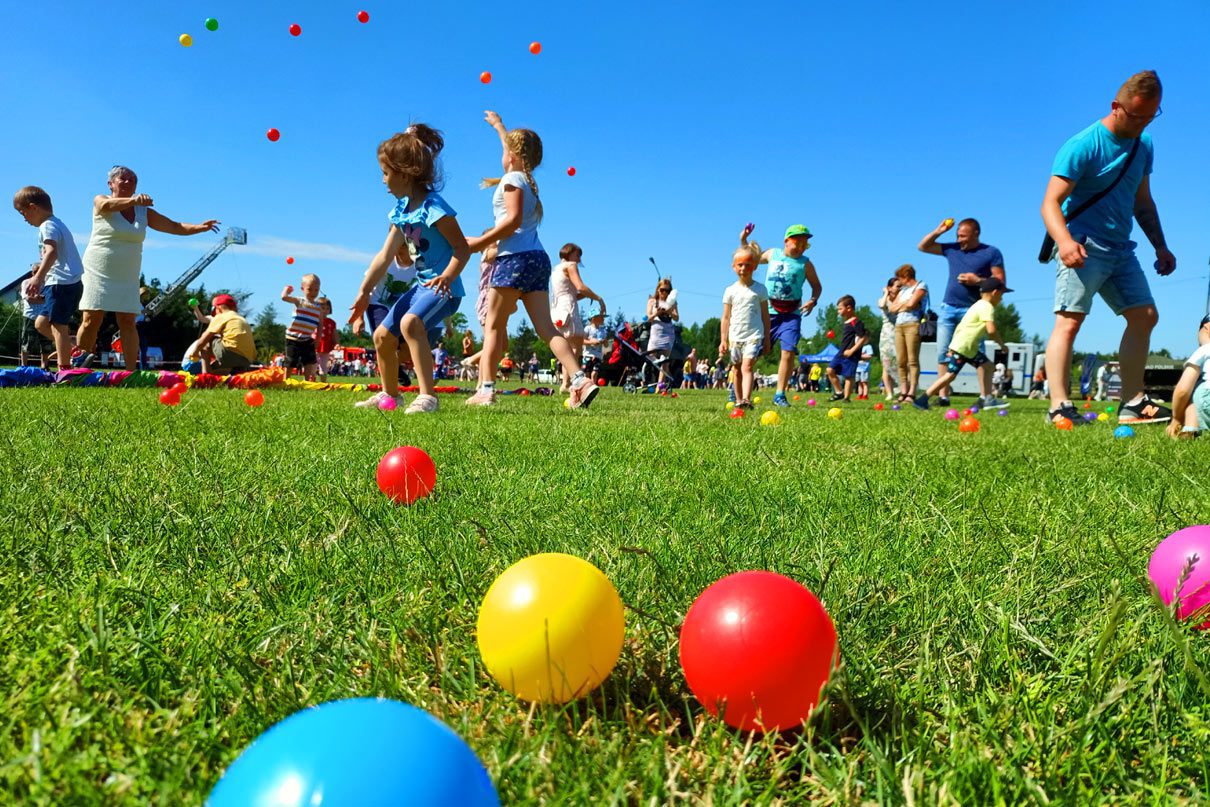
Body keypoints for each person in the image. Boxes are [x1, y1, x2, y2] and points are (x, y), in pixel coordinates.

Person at [1041, 70, 1175, 427]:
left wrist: (1161, 246)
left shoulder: (1143, 144)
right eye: (1137, 116)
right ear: (1117, 107)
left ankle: (1132, 401)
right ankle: (1058, 406)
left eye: (1152, 116)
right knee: (1069, 322)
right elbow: (1050, 204)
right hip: (1083, 244)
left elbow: (1142, 202)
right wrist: (1065, 242)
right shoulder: (1084, 144)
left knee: (1145, 316)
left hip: (1121, 248)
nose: (1144, 124)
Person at [465, 110, 597, 408]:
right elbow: (509, 149)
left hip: (512, 259)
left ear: (513, 154)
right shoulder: (526, 180)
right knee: (547, 329)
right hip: (537, 259)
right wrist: (500, 127)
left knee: (494, 328)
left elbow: (511, 222)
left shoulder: (512, 178)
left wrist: (479, 244)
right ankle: (580, 380)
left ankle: (485, 390)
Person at [349, 123, 470, 414]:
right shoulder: (401, 212)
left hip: (445, 289)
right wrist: (364, 292)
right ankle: (390, 395)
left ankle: (428, 397)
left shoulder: (434, 208)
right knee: (381, 336)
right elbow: (384, 255)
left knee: (410, 324)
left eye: (385, 173)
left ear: (403, 174)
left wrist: (448, 276)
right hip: (421, 288)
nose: (383, 181)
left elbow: (462, 248)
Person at [73, 166, 218, 370]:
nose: (128, 182)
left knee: (127, 320)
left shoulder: (143, 212)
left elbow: (175, 226)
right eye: (122, 179)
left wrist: (200, 227)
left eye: (132, 180)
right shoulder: (100, 199)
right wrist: (134, 200)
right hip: (99, 269)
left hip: (128, 274)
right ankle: (79, 368)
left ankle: (131, 372)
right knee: (91, 318)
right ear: (111, 184)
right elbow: (106, 204)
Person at [918, 217, 1006, 404]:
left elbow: (1000, 281)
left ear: (976, 234)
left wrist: (977, 281)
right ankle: (943, 397)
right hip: (948, 307)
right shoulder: (953, 249)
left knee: (978, 352)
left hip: (973, 310)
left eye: (964, 236)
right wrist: (939, 231)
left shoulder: (991, 253)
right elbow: (923, 247)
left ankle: (984, 397)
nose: (960, 240)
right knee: (943, 352)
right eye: (958, 236)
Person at [738, 223, 823, 407]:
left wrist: (812, 300)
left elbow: (817, 286)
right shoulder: (772, 254)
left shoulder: (805, 263)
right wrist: (744, 239)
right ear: (786, 241)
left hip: (791, 314)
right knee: (754, 352)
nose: (801, 246)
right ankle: (737, 389)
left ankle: (779, 394)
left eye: (805, 243)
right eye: (797, 242)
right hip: (768, 312)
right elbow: (750, 258)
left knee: (788, 351)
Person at [13, 187, 85, 373]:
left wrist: (38, 278)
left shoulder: (48, 225)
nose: (24, 219)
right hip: (61, 282)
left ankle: (65, 370)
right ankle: (75, 351)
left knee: (58, 325)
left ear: (33, 208)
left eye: (23, 213)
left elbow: (51, 252)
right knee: (41, 324)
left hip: (62, 282)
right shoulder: (56, 224)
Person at [913, 278, 1011, 410]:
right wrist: (1002, 346)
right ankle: (923, 399)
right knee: (950, 375)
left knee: (988, 366)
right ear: (995, 293)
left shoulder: (978, 304)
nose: (1001, 299)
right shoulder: (987, 307)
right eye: (1001, 295)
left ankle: (987, 399)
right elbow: (991, 331)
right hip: (965, 347)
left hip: (967, 347)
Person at [719, 244, 770, 409]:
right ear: (733, 267)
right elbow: (726, 317)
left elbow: (765, 316)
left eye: (748, 265)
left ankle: (747, 400)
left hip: (754, 335)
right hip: (735, 336)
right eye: (740, 265)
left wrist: (767, 338)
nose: (743, 268)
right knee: (736, 369)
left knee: (747, 366)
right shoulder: (730, 291)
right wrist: (723, 340)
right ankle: (739, 400)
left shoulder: (760, 290)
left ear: (755, 266)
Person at [183, 293, 256, 374]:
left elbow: (203, 340)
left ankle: (206, 375)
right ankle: (233, 373)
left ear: (219, 308)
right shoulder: (241, 319)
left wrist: (195, 353)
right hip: (247, 360)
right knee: (219, 360)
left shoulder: (221, 316)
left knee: (206, 342)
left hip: (229, 354)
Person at [1166, 315, 1210, 439]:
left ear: (1205, 328)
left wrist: (1176, 418)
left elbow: (1183, 390)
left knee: (1195, 387)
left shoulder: (1205, 349)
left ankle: (1190, 429)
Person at [888, 264, 927, 402]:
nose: (899, 281)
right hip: (899, 326)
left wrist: (905, 305)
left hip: (913, 324)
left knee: (912, 360)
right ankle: (903, 391)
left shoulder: (921, 286)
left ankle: (912, 392)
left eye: (900, 278)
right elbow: (892, 308)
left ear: (906, 276)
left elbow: (912, 304)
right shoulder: (903, 291)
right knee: (901, 361)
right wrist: (905, 304)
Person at [826, 295, 869, 403]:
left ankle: (846, 398)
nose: (838, 311)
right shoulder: (847, 321)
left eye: (840, 309)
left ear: (849, 308)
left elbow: (864, 337)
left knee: (848, 376)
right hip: (841, 352)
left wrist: (852, 351)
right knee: (830, 370)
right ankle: (839, 392)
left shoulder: (856, 322)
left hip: (851, 354)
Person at [281, 274, 324, 380]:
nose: (313, 293)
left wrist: (318, 338)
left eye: (316, 290)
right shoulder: (299, 301)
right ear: (302, 289)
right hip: (293, 337)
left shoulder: (319, 307)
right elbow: (284, 297)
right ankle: (286, 380)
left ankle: (307, 380)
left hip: (307, 338)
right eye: (310, 289)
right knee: (291, 360)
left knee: (309, 360)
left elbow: (320, 324)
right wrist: (286, 290)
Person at [646, 278, 679, 382]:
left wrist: (669, 311)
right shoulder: (652, 301)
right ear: (658, 290)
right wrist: (657, 313)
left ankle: (660, 385)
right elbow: (649, 318)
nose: (664, 293)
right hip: (656, 331)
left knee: (665, 360)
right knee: (650, 356)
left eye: (667, 290)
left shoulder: (672, 302)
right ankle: (667, 378)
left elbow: (677, 318)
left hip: (668, 332)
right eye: (662, 290)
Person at [18, 272, 54, 368]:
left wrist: (39, 298)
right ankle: (23, 366)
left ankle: (44, 366)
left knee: (46, 343)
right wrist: (42, 299)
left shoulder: (48, 283)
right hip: (31, 316)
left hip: (45, 317)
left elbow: (51, 299)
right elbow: (29, 299)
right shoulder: (26, 282)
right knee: (27, 342)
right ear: (34, 272)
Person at [875, 276, 900, 401]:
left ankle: (901, 390)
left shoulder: (901, 300)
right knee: (886, 364)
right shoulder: (883, 299)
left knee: (900, 362)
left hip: (900, 333)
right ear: (890, 288)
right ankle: (889, 393)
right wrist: (886, 293)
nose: (900, 289)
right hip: (887, 335)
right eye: (897, 286)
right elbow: (881, 305)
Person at [315, 297, 337, 381]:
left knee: (324, 365)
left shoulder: (332, 322)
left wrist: (336, 343)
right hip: (314, 344)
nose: (325, 310)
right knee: (312, 364)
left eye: (327, 308)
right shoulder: (314, 320)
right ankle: (310, 381)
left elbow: (335, 334)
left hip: (326, 346)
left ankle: (323, 382)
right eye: (322, 308)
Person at [582, 312, 607, 382]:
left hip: (598, 356)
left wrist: (605, 342)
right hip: (588, 355)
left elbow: (606, 345)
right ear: (594, 319)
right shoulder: (587, 328)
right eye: (601, 317)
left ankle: (593, 388)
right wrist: (591, 342)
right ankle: (586, 387)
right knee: (586, 373)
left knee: (594, 373)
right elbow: (582, 341)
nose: (603, 319)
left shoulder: (603, 331)